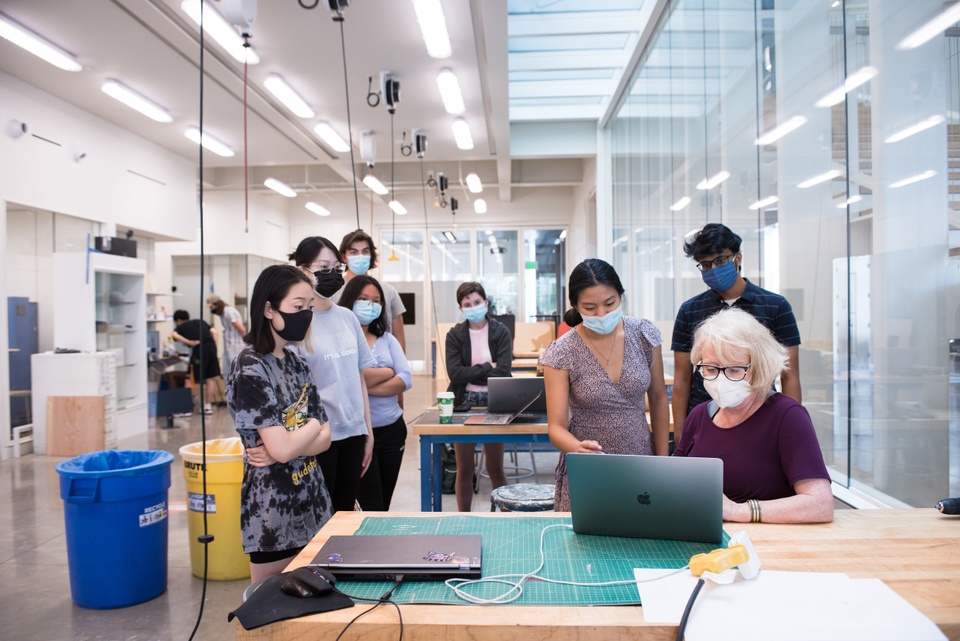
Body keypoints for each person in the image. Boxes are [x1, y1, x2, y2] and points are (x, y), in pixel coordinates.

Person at [673, 307, 833, 523]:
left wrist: (740, 511)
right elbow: (672, 480)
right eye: (711, 369)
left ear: (759, 367)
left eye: (734, 370)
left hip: (764, 546)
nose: (721, 379)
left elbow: (820, 504)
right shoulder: (699, 416)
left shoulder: (787, 417)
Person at [225, 264, 333, 581]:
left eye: (309, 308)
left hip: (314, 503)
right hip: (272, 512)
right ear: (269, 309)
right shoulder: (249, 365)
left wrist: (291, 443)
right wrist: (311, 427)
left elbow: (327, 438)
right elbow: (299, 440)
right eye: (298, 307)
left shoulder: (296, 361)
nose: (306, 315)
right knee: (275, 615)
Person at [540, 258, 670, 512]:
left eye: (610, 304)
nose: (602, 314)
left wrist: (663, 462)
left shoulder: (643, 334)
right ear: (576, 306)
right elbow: (555, 427)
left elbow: (658, 399)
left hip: (640, 461)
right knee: (585, 546)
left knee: (641, 541)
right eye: (589, 307)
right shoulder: (562, 352)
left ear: (620, 296)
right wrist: (576, 448)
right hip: (588, 469)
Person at [671, 223, 802, 443]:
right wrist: (683, 436)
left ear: (738, 258)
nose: (713, 269)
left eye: (720, 261)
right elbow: (682, 379)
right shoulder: (690, 310)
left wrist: (795, 430)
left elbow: (789, 375)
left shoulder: (776, 306)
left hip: (761, 416)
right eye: (705, 264)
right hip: (707, 418)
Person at [289, 236, 376, 514]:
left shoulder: (348, 317)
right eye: (323, 267)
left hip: (353, 432)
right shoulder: (297, 323)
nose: (332, 274)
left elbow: (358, 377)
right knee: (318, 516)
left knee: (344, 512)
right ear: (303, 270)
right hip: (317, 436)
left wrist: (367, 431)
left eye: (336, 267)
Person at [338, 275, 412, 511]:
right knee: (372, 506)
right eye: (363, 299)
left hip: (392, 431)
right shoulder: (340, 341)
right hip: (358, 436)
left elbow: (406, 379)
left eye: (376, 301)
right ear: (350, 301)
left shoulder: (387, 339)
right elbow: (344, 379)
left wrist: (360, 383)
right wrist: (388, 371)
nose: (370, 305)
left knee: (385, 505)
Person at [445, 281, 513, 512]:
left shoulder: (501, 331)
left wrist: (472, 372)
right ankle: (464, 519)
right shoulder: (455, 335)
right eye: (467, 304)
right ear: (461, 309)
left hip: (496, 401)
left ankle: (505, 519)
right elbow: (455, 373)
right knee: (465, 469)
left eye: (476, 302)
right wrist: (486, 366)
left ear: (485, 303)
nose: (473, 307)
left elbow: (503, 370)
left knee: (495, 468)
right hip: (464, 403)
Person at [332, 229, 407, 351]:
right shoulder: (333, 291)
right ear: (344, 257)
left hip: (383, 361)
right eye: (354, 252)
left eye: (365, 251)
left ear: (371, 255)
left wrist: (400, 365)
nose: (360, 257)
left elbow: (399, 336)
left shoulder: (388, 291)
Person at [171, 309, 220, 415]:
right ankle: (208, 407)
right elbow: (214, 332)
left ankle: (186, 409)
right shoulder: (200, 321)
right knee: (210, 378)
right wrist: (214, 346)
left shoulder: (182, 326)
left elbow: (174, 335)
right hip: (211, 348)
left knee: (189, 378)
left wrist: (189, 342)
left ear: (178, 320)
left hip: (198, 350)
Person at [207, 294, 246, 377]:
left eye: (211, 307)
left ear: (216, 305)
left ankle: (237, 389)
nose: (210, 309)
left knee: (235, 371)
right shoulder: (222, 314)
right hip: (229, 346)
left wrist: (246, 342)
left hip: (235, 345)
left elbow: (241, 329)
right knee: (227, 371)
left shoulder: (229, 312)